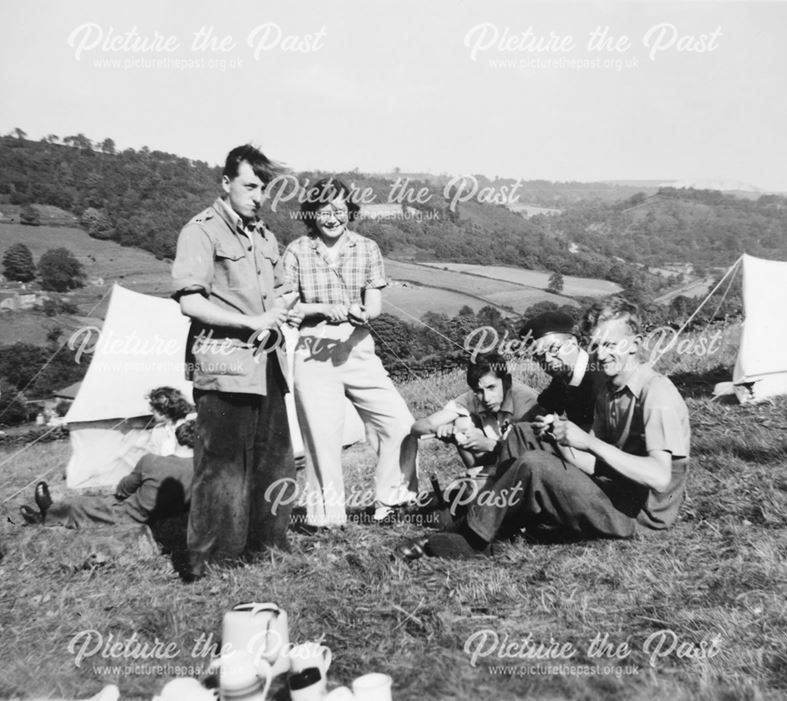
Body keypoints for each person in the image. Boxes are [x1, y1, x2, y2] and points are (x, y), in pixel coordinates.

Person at [401, 297, 691, 559]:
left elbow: (659, 478)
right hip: (616, 489)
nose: (601, 355)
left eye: (611, 345)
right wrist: (560, 438)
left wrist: (586, 442)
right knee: (524, 433)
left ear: (636, 344)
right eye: (596, 346)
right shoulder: (609, 390)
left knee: (534, 464)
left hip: (640, 515)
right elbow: (596, 465)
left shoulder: (656, 393)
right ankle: (486, 517)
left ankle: (473, 537)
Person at [171, 144, 296, 578]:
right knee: (222, 467)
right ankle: (213, 564)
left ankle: (268, 551)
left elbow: (280, 289)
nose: (258, 196)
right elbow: (191, 302)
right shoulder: (200, 232)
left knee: (274, 462)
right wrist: (253, 321)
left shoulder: (265, 235)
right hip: (224, 369)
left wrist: (285, 306)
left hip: (270, 367)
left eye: (264, 188)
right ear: (225, 183)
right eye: (249, 186)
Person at [282, 176, 417, 527]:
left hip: (358, 349)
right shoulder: (297, 250)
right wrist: (324, 309)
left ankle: (391, 502)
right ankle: (327, 522)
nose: (332, 217)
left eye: (339, 209)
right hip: (312, 352)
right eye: (324, 210)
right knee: (323, 440)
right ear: (312, 213)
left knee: (400, 423)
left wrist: (362, 312)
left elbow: (374, 302)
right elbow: (288, 308)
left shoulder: (367, 248)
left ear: (349, 211)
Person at [20, 387, 196, 528]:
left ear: (164, 409)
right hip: (159, 486)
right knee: (108, 501)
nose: (151, 411)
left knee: (101, 507)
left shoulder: (187, 427)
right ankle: (50, 513)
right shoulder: (160, 430)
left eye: (154, 408)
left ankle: (48, 513)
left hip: (169, 491)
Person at [399, 353, 538, 478]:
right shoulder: (472, 399)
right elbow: (418, 427)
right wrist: (440, 430)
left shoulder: (526, 400)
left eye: (491, 387)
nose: (486, 398)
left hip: (525, 466)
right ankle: (479, 480)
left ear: (507, 381)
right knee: (461, 424)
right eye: (478, 391)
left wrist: (490, 445)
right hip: (494, 459)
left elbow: (533, 451)